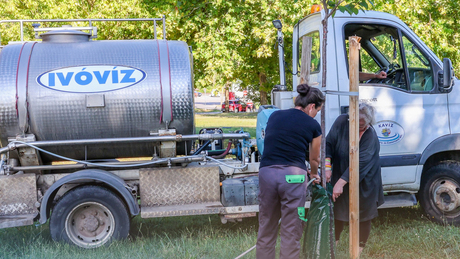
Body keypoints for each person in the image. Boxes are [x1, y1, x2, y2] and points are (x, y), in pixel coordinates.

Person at [256, 84, 325, 259]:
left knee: (266, 226)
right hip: (293, 177)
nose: (317, 113)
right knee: (292, 229)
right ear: (311, 107)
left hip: (267, 174)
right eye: (318, 110)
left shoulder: (274, 116)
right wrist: (314, 174)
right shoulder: (313, 125)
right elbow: (314, 158)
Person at [325, 102, 384, 254]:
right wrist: (327, 167)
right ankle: (333, 247)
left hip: (365, 180)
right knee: (337, 211)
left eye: (363, 126)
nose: (359, 128)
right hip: (340, 172)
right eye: (356, 124)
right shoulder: (340, 121)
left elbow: (359, 164)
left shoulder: (370, 136)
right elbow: (328, 144)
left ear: (369, 123)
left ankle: (357, 252)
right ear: (350, 118)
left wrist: (340, 183)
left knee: (363, 214)